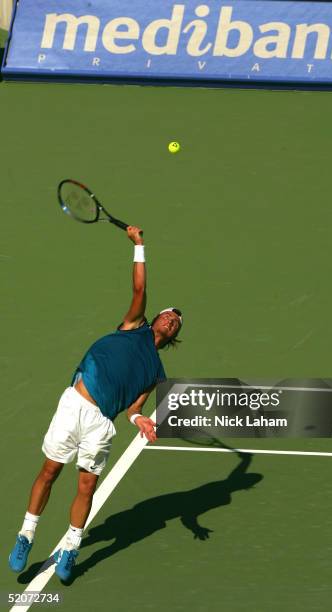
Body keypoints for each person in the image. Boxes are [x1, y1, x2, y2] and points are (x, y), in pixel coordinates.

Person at [8, 225, 183, 581]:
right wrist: (139, 246)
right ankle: (26, 535)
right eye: (168, 314)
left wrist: (139, 421)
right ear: (156, 318)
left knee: (86, 486)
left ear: (175, 336)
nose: (171, 319)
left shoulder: (156, 371)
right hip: (76, 403)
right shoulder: (134, 325)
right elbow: (139, 287)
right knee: (50, 471)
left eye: (177, 322)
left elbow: (134, 407)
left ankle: (71, 548)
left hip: (101, 424)